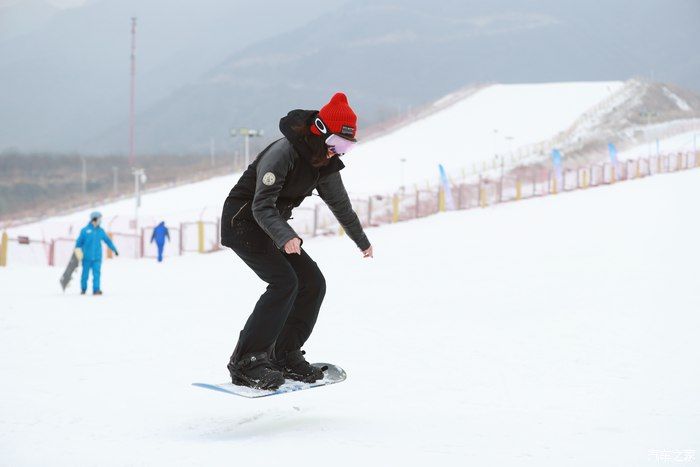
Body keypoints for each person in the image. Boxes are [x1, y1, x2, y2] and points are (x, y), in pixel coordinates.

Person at [220, 92, 373, 390]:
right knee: (284, 283)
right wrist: (286, 235)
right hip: (243, 222)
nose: (338, 152)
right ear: (318, 130)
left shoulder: (324, 162)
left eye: (346, 147)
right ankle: (247, 361)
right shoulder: (284, 153)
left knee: (313, 283)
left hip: (272, 227)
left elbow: (341, 206)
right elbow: (260, 205)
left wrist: (361, 240)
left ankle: (283, 355)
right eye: (336, 144)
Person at [74, 211, 118, 295]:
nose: (100, 221)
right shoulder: (84, 231)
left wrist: (114, 249)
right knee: (85, 275)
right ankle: (83, 289)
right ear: (94, 219)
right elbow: (78, 244)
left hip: (97, 257)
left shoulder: (101, 231)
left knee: (96, 274)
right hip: (86, 258)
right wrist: (78, 255)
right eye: (99, 219)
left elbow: (108, 241)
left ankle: (96, 290)